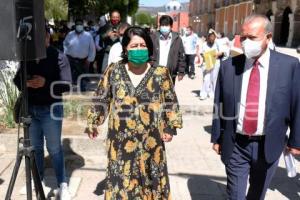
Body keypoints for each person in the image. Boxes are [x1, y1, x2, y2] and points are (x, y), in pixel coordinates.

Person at [85, 26, 182, 199]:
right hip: (121, 144)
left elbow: (170, 101)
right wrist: (93, 121)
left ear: (149, 47)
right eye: (134, 46)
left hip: (151, 144)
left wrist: (169, 127)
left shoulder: (161, 73)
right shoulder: (113, 71)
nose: (139, 49)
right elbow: (102, 98)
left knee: (150, 184)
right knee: (121, 186)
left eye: (143, 45)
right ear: (125, 49)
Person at [211, 14, 300, 200]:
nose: (245, 42)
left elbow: (297, 104)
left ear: (268, 38)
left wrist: (295, 141)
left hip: (269, 144)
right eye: (243, 37)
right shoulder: (229, 67)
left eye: (252, 38)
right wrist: (217, 137)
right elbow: (219, 104)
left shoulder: (289, 66)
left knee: (257, 194)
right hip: (236, 143)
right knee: (235, 195)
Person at [14, 26, 72, 200]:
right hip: (31, 109)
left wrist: (45, 82)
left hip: (50, 110)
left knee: (54, 148)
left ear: (48, 37)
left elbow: (67, 84)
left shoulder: (59, 56)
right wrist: (26, 83)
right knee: (35, 148)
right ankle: (37, 180)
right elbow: (17, 79)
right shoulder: (28, 57)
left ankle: (63, 185)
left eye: (43, 37)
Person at [150, 15, 186, 84]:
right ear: (159, 26)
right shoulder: (153, 37)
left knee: (169, 94)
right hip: (155, 72)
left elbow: (182, 56)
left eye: (166, 25)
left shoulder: (177, 39)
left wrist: (181, 72)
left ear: (171, 26)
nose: (164, 27)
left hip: (170, 73)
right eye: (162, 25)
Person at [63, 18, 96, 91]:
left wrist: (89, 60)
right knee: (71, 77)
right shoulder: (70, 34)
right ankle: (71, 91)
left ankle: (82, 90)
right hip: (71, 59)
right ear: (75, 25)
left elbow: (92, 48)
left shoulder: (88, 35)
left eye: (80, 24)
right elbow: (65, 44)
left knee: (83, 77)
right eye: (77, 24)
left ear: (83, 25)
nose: (79, 26)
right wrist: (66, 55)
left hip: (83, 60)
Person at [199, 32, 222, 100]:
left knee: (213, 79)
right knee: (206, 79)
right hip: (206, 63)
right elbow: (201, 53)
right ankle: (203, 93)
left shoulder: (217, 44)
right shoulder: (204, 44)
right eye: (210, 37)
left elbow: (222, 52)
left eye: (213, 37)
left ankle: (212, 93)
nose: (212, 38)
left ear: (215, 38)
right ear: (208, 37)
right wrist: (205, 56)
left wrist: (217, 54)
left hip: (215, 62)